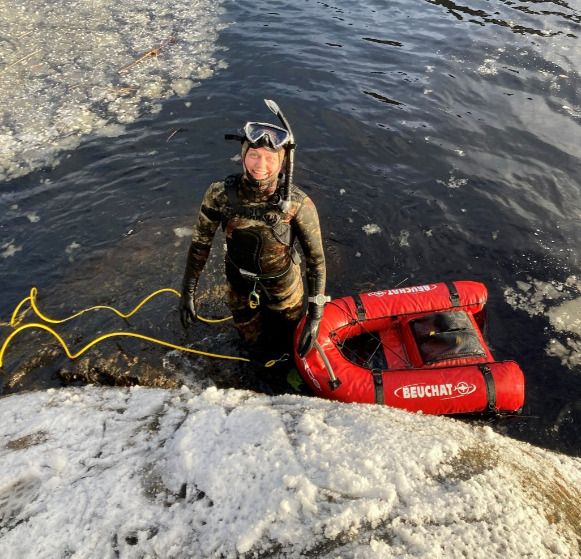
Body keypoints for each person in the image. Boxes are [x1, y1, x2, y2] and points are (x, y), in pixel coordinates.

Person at [179, 102, 328, 360]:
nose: (261, 164)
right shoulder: (219, 194)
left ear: (282, 163)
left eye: (270, 158)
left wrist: (315, 316)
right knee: (251, 346)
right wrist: (188, 291)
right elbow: (200, 244)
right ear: (243, 155)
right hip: (239, 287)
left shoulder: (297, 203)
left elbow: (316, 261)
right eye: (254, 155)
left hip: (285, 290)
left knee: (288, 346)